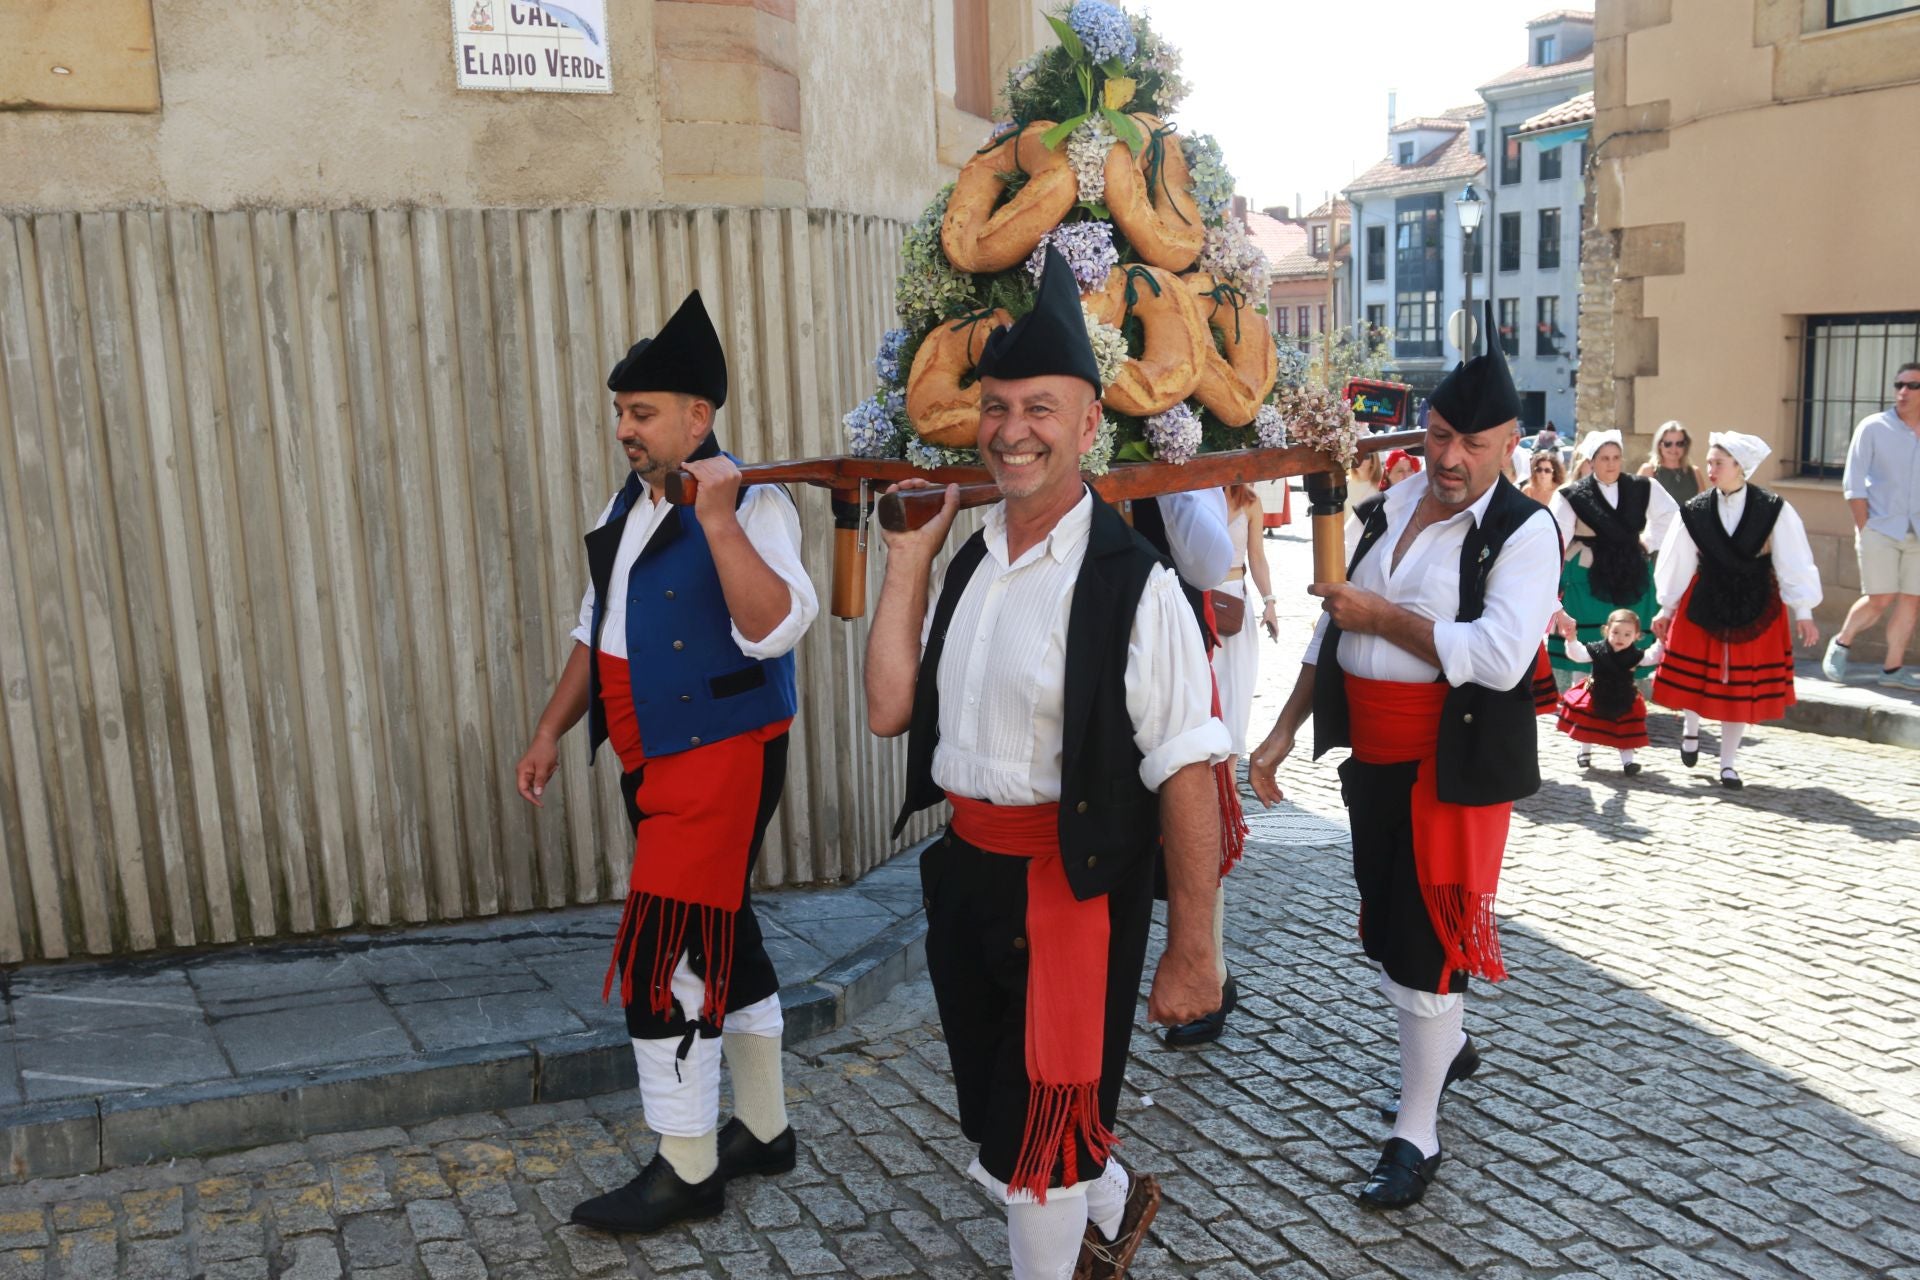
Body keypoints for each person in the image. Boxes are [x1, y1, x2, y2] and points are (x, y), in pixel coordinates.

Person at [864, 247, 1228, 1280]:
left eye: (1039, 408)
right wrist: (907, 562)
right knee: (997, 1133)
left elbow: (1189, 768)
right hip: (967, 876)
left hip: (1071, 892)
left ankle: (1075, 1219)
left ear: (1087, 427)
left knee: (1038, 1157)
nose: (1011, 429)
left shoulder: (1135, 583)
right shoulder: (972, 555)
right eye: (995, 406)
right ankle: (1116, 1195)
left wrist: (1194, 948)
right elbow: (892, 708)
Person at [513, 291, 819, 1234]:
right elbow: (593, 628)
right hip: (651, 755)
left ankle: (688, 1168)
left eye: (641, 414)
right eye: (619, 413)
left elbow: (776, 627)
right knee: (728, 933)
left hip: (720, 754)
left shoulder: (755, 504)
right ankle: (762, 1130)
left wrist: (720, 520)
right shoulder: (626, 505)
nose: (623, 430)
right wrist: (551, 728)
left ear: (700, 416)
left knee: (668, 953)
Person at [1247, 310, 1560, 1211]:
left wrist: (1383, 619)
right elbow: (1328, 632)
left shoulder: (1524, 532)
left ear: (1509, 443)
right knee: (1390, 935)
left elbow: (1500, 659)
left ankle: (1415, 1131)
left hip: (1450, 768)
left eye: (1472, 442)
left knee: (1425, 948)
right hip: (1374, 759)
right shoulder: (1384, 510)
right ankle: (1449, 1044)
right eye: (1437, 436)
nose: (1450, 457)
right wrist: (1277, 735)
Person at [1651, 432, 1822, 789]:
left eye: (1718, 463)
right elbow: (1678, 559)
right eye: (1710, 462)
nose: (1710, 469)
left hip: (1755, 600)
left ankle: (1728, 764)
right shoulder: (1695, 510)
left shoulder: (1773, 507)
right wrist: (1666, 607)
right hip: (1705, 598)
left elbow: (1793, 557)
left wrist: (1803, 609)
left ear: (1739, 467)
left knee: (1739, 687)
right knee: (1696, 675)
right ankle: (1692, 728)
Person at [1546, 430, 1678, 687]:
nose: (1611, 463)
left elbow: (1671, 517)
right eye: (1604, 458)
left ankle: (1625, 697)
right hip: (1587, 571)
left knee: (1627, 633)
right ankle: (1581, 697)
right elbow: (1557, 535)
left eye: (1616, 457)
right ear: (1591, 461)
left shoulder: (1643, 486)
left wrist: (1648, 542)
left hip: (1631, 569)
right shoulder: (1571, 494)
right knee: (1587, 639)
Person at [1822, 363, 1920, 690]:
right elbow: (1854, 484)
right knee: (1879, 597)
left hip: (1918, 532)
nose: (1903, 392)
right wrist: (1865, 528)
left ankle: (1892, 670)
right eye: (1899, 384)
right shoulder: (1873, 427)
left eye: (1912, 386)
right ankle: (1842, 641)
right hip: (1880, 528)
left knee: (1911, 599)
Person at [1557, 608, 1662, 774]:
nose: (1621, 638)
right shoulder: (1597, 649)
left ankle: (1628, 763)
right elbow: (1578, 655)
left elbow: (1652, 657)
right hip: (1597, 692)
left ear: (1636, 636)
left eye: (1627, 634)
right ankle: (1584, 752)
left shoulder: (1635, 655)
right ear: (1606, 631)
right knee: (1588, 724)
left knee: (1625, 728)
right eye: (1616, 632)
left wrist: (1661, 642)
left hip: (1624, 695)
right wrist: (1571, 640)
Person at [1637, 420, 1706, 506]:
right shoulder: (1648, 471)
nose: (1674, 448)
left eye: (1679, 443)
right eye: (1668, 444)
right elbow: (1635, 505)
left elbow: (1704, 507)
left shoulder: (1695, 472)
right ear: (1659, 445)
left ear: (1685, 445)